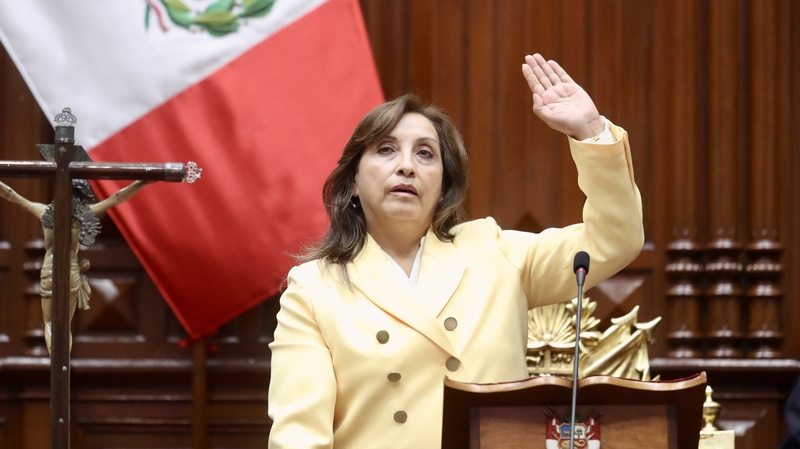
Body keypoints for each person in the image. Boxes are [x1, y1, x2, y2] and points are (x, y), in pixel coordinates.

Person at [267, 53, 644, 448]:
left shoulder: (496, 251)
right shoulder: (314, 287)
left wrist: (590, 131)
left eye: (425, 153)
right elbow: (299, 438)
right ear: (354, 183)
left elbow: (615, 240)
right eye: (385, 150)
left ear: (444, 186)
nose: (407, 166)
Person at [0, 177, 150, 353]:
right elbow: (117, 198)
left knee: (49, 322)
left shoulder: (44, 211)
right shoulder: (82, 215)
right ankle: (61, 369)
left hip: (50, 267)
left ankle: (57, 367)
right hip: (70, 268)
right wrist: (142, 182)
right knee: (64, 325)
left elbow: (11, 195)